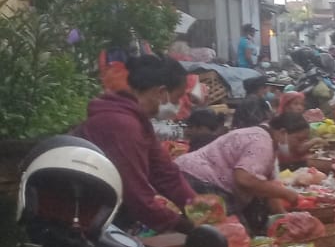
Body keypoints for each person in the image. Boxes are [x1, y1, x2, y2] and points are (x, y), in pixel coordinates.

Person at [77, 54, 196, 233]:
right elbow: (136, 197)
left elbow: (165, 174)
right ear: (160, 92)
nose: (178, 105)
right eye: (177, 98)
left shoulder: (137, 121)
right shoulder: (121, 125)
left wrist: (201, 210)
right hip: (86, 217)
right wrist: (187, 227)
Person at [176, 111, 313, 234]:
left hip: (196, 177)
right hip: (199, 178)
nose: (300, 145)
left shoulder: (266, 141)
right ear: (283, 132)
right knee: (233, 238)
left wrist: (285, 218)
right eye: (299, 139)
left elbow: (268, 190)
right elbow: (244, 179)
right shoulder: (261, 141)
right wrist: (287, 194)